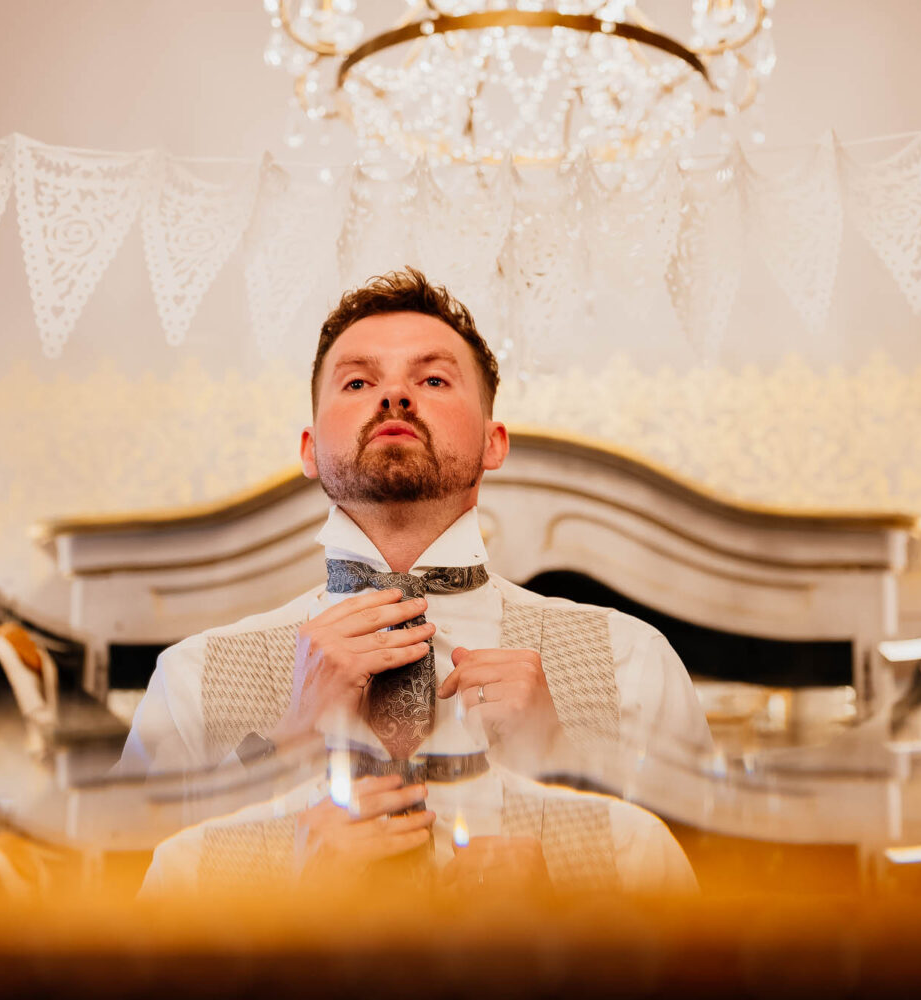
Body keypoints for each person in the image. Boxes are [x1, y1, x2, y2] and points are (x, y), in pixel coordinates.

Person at [119, 267, 712, 777]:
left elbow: (704, 874)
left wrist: (560, 763)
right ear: (309, 449)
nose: (395, 396)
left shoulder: (633, 663)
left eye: (433, 380)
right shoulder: (192, 681)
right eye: (358, 381)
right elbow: (127, 875)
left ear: (493, 443)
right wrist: (291, 746)